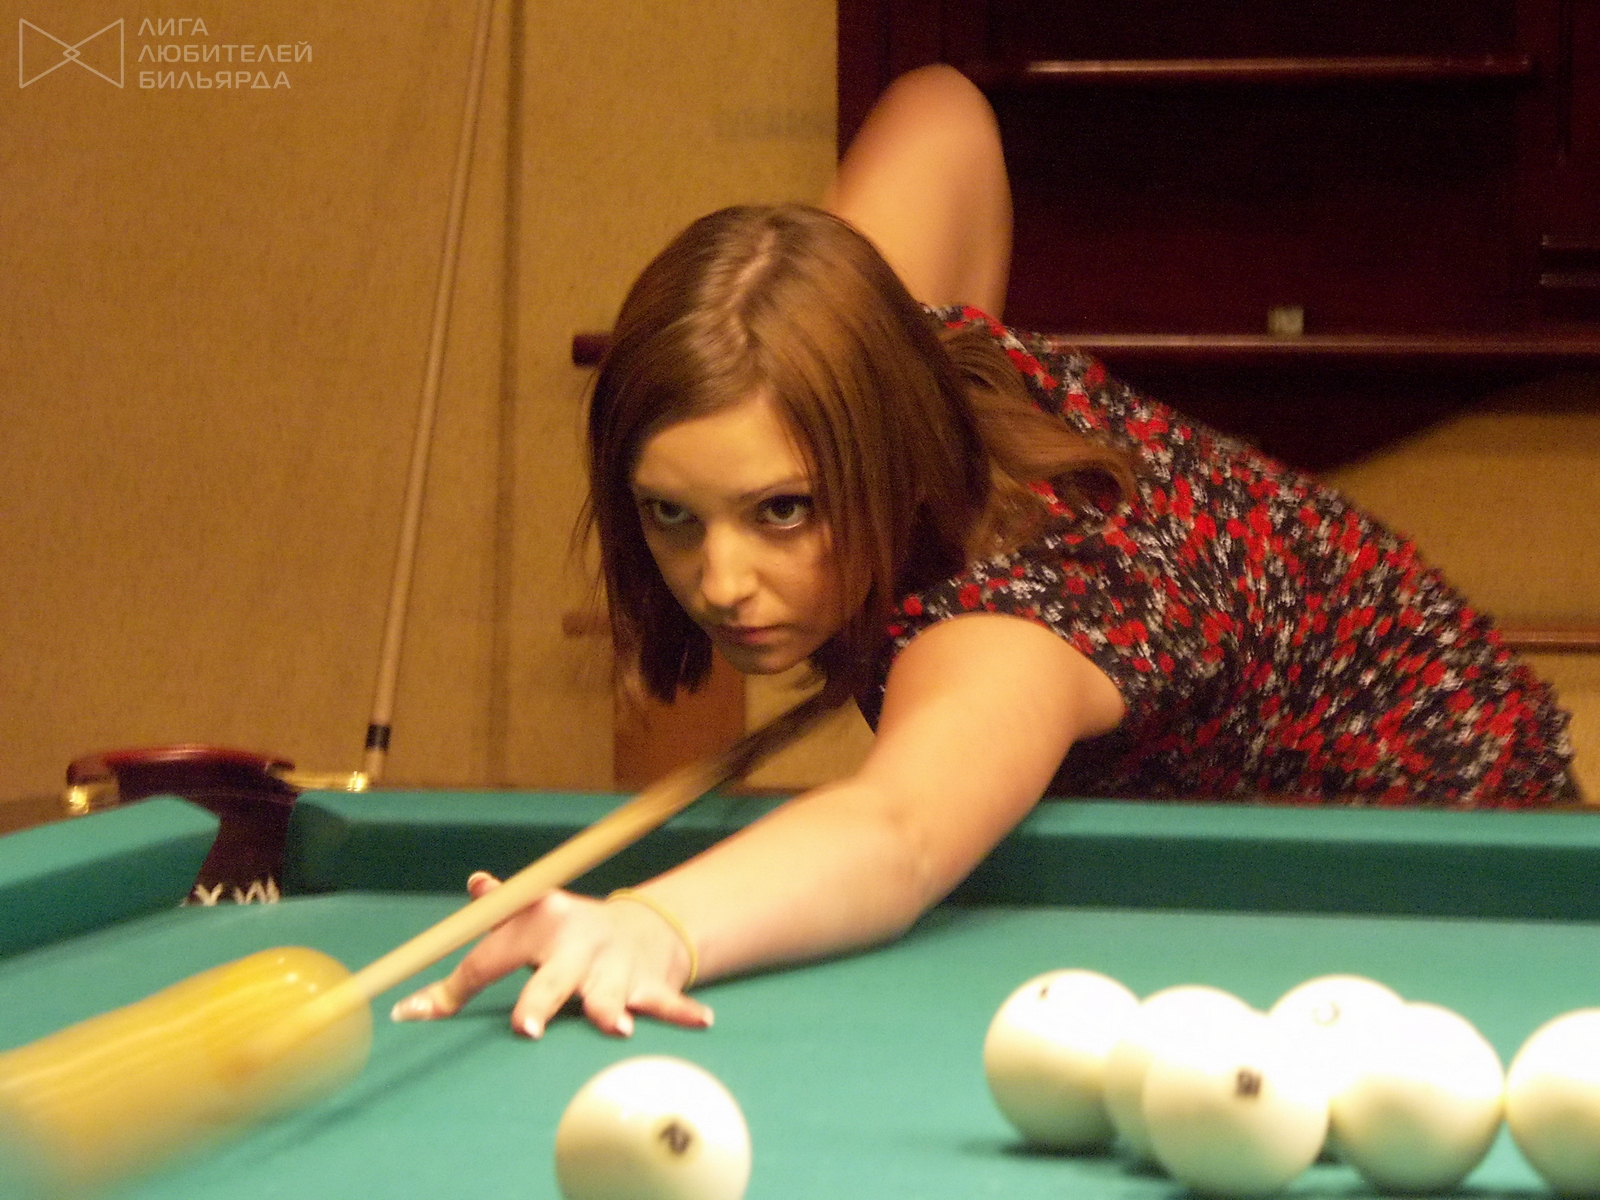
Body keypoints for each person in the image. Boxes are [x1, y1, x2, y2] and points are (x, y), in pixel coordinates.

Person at [392, 65, 1574, 1040]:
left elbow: (899, 832)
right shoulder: (852, 335)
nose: (721, 581)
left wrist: (654, 925)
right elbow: (943, 108)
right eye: (671, 514)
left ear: (886, 452)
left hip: (1443, 843)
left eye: (783, 510)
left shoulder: (1009, 611)